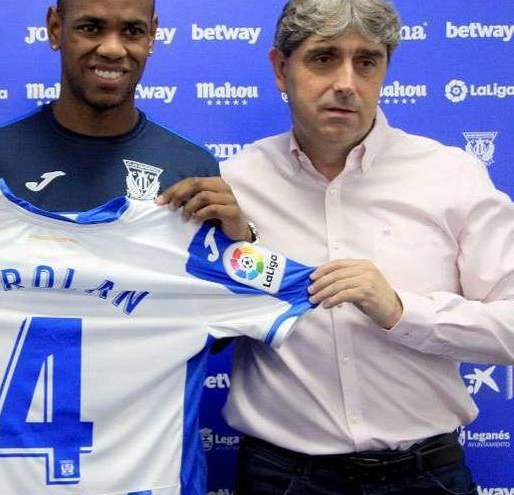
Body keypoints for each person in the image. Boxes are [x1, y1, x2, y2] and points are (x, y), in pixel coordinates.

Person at [220, 0, 514, 493]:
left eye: (367, 61)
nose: (346, 83)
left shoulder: (452, 176)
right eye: (323, 58)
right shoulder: (234, 184)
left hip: (426, 476)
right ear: (280, 68)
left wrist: (401, 311)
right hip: (282, 477)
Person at [0, 0, 256, 245]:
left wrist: (242, 241)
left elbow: (221, 328)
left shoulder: (192, 168)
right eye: (91, 28)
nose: (113, 49)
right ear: (55, 28)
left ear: (152, 34)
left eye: (131, 31)